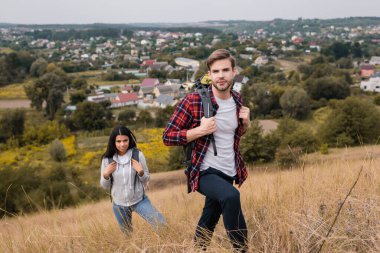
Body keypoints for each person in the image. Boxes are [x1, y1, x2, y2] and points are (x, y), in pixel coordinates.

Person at [163, 49, 251, 252]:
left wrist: (246, 125)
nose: (221, 75)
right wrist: (198, 131)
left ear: (234, 72)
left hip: (229, 170)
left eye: (225, 70)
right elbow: (168, 136)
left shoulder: (237, 99)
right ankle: (242, 250)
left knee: (209, 220)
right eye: (216, 71)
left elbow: (231, 136)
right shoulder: (193, 101)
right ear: (209, 74)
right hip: (203, 170)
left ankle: (198, 249)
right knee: (230, 197)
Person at [100, 126, 165, 235]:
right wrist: (106, 174)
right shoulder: (107, 159)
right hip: (119, 205)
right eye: (118, 141)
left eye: (125, 140)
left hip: (139, 200)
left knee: (161, 224)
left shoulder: (138, 155)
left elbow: (146, 179)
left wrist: (141, 172)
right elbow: (104, 186)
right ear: (113, 142)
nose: (122, 144)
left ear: (130, 140)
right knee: (128, 237)